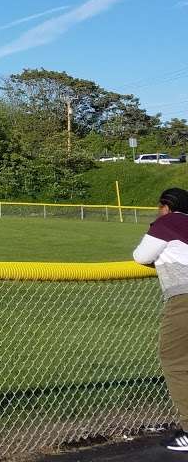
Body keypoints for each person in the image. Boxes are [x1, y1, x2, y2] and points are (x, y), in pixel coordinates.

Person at [134, 187, 188, 452]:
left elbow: (141, 256)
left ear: (166, 206)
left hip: (184, 299)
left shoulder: (168, 222)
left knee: (175, 361)